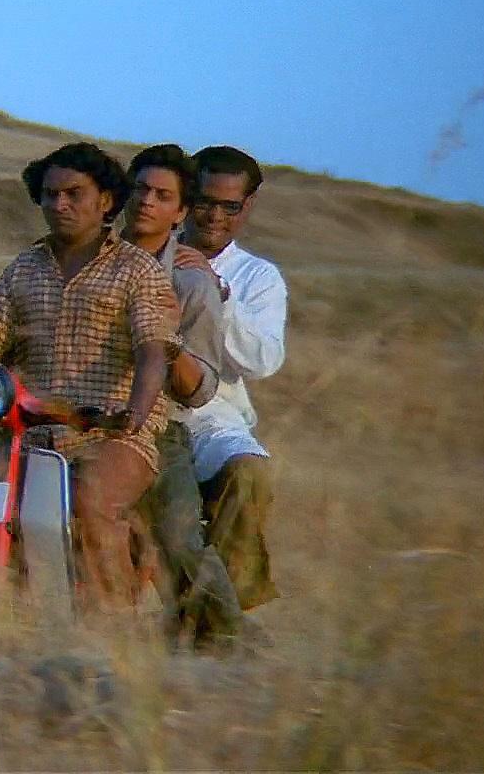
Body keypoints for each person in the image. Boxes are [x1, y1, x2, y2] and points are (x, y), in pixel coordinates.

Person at [0, 142, 179, 609]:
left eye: (74, 194)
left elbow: (153, 349)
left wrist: (134, 414)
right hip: (24, 434)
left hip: (109, 434)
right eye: (50, 195)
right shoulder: (23, 269)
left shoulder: (138, 270)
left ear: (106, 201)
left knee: (91, 502)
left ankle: (109, 629)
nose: (59, 204)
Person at [118, 144, 245, 646]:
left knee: (177, 536)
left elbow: (200, 390)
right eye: (140, 189)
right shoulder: (88, 258)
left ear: (181, 212)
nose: (147, 201)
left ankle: (228, 639)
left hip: (154, 426)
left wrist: (166, 340)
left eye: (162, 195)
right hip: (72, 416)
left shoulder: (191, 282)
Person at [179, 145, 289, 614]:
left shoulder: (257, 277)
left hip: (211, 416)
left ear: (249, 205)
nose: (214, 217)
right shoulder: (146, 253)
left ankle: (231, 616)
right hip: (136, 408)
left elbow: (262, 361)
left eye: (230, 206)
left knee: (248, 474)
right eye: (205, 202)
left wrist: (217, 292)